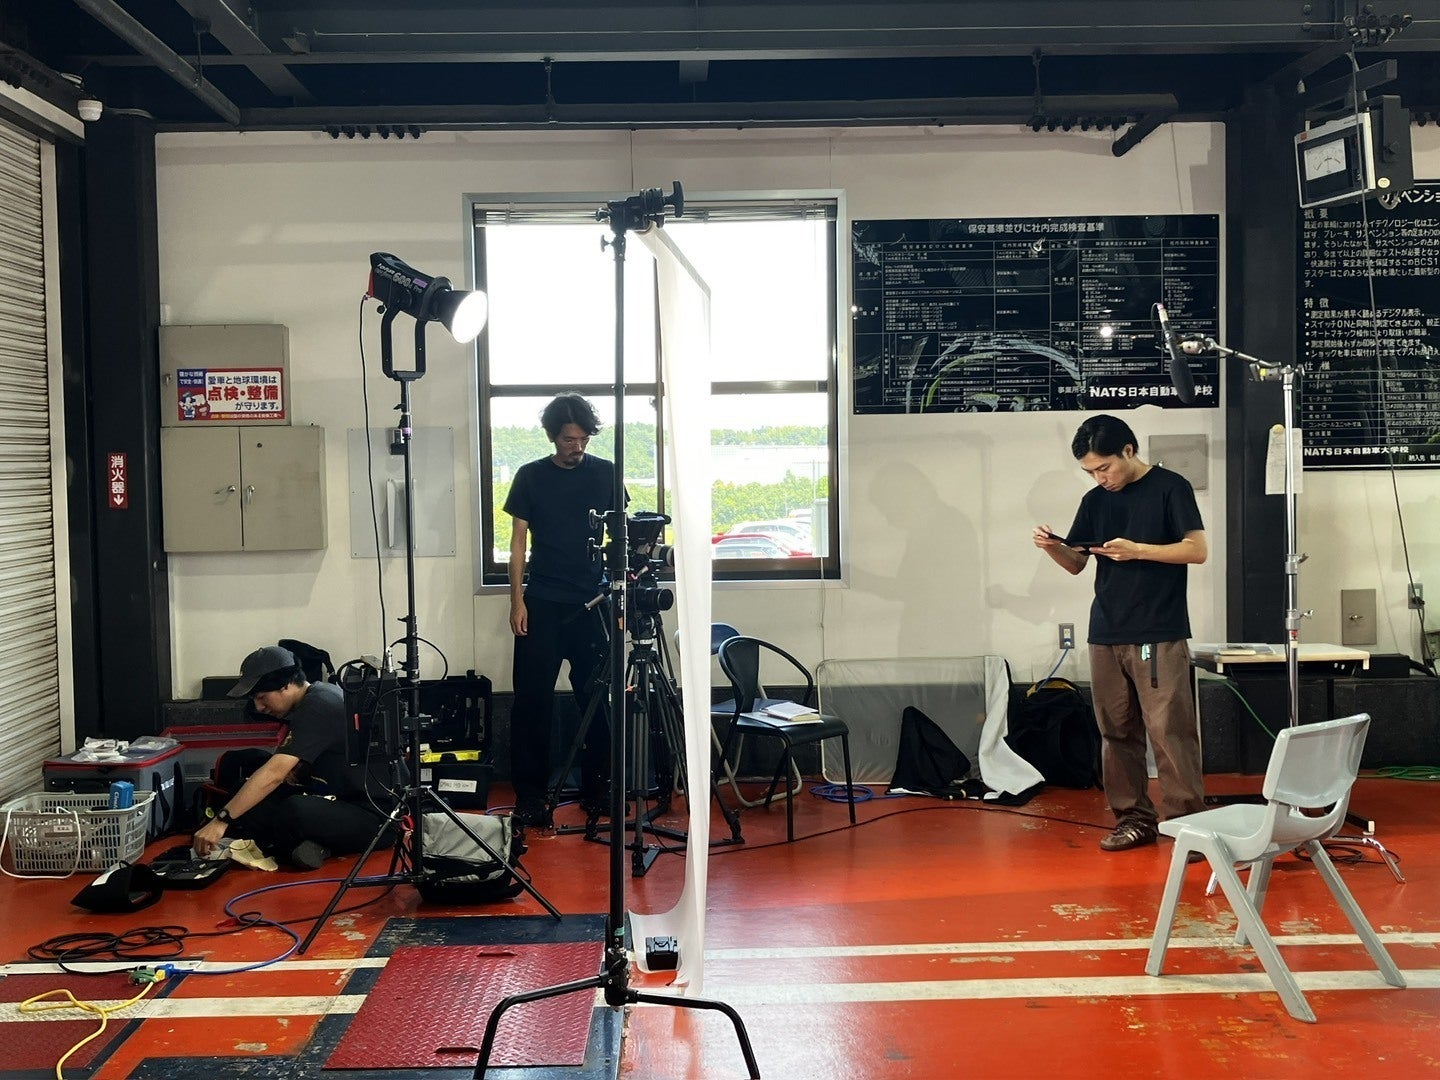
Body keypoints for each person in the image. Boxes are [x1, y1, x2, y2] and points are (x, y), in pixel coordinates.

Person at [1033, 413, 1208, 852]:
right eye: (1090, 471)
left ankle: (1187, 826)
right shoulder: (1095, 501)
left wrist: (1138, 550)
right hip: (1106, 631)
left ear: (1129, 450)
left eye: (1104, 467)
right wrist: (1052, 547)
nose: (1100, 477)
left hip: (1158, 631)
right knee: (1115, 732)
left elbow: (1197, 550)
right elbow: (1077, 563)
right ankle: (1133, 820)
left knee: (1169, 731)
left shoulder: (1171, 487)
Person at [504, 392, 618, 827]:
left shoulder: (606, 473)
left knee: (597, 700)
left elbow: (620, 537)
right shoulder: (531, 476)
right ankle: (530, 797)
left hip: (593, 602)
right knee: (532, 702)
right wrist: (517, 601)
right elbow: (518, 544)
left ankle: (599, 789)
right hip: (543, 602)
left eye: (584, 439)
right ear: (553, 436)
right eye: (570, 439)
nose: (578, 447)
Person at [192, 645, 395, 869]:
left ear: (287, 684)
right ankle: (307, 844)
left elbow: (274, 773)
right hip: (338, 798)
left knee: (294, 810)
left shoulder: (319, 705)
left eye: (262, 697)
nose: (259, 707)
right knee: (245, 791)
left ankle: (304, 846)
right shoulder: (313, 697)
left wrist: (221, 820)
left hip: (375, 818)